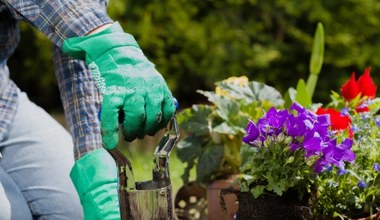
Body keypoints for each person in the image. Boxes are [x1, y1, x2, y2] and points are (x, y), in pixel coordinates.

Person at [0, 0, 176, 219]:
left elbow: (75, 49)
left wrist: (97, 176)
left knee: (75, 209)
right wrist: (109, 45)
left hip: (3, 103)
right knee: (11, 213)